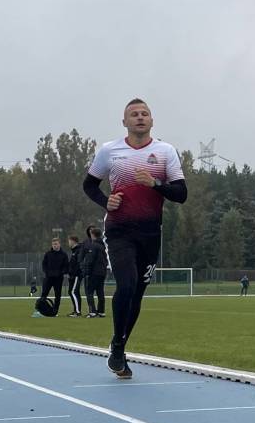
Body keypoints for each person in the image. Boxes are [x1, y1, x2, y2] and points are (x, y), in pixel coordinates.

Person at [83, 97, 187, 379]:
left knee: (137, 293)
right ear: (124, 122)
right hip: (119, 230)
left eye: (144, 113)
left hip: (150, 233)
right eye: (134, 114)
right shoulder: (110, 150)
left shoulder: (165, 151)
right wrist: (106, 202)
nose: (140, 117)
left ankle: (119, 345)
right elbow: (89, 185)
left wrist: (155, 183)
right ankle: (118, 348)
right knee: (126, 285)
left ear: (151, 120)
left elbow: (181, 194)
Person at [82, 227, 108, 318]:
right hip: (102, 272)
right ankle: (101, 311)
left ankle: (92, 311)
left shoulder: (93, 246)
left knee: (89, 292)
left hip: (94, 273)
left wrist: (86, 271)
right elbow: (105, 260)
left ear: (93, 235)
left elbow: (90, 260)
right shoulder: (103, 246)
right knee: (100, 292)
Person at [40, 237, 69, 315]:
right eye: (53, 244)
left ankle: (55, 312)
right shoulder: (48, 254)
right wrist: (46, 272)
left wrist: (61, 273)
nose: (54, 246)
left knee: (58, 296)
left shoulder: (64, 255)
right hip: (48, 278)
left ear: (59, 244)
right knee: (44, 294)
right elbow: (44, 264)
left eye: (56, 244)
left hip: (58, 279)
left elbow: (66, 266)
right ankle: (40, 310)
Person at [65, 235, 83, 316]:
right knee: (74, 292)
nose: (68, 243)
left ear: (73, 241)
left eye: (69, 241)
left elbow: (78, 264)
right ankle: (76, 310)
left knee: (73, 292)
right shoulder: (74, 251)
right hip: (73, 275)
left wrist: (73, 273)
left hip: (76, 275)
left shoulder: (78, 251)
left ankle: (77, 312)